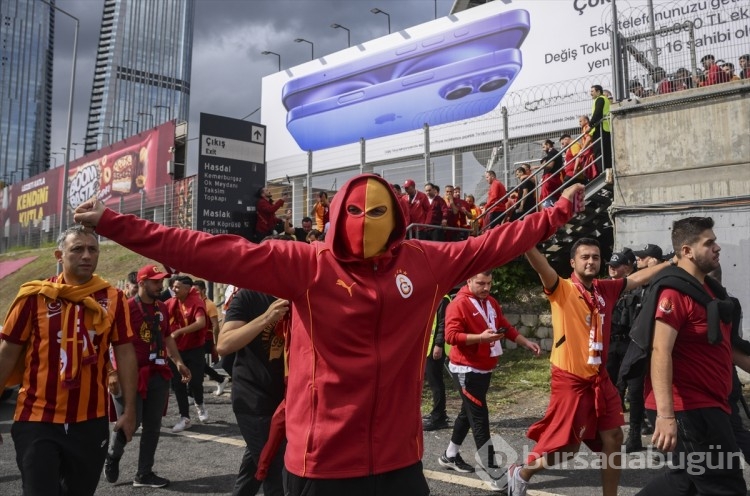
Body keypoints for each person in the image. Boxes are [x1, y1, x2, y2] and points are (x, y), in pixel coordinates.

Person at [74, 175, 584, 496]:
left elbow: (498, 241)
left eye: (378, 211)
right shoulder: (304, 264)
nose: (365, 222)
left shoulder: (427, 262)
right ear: (338, 215)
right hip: (320, 466)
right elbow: (205, 250)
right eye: (356, 212)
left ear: (399, 217)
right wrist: (115, 224)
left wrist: (559, 212)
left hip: (399, 462)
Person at [511, 239, 667, 496]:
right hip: (570, 379)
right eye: (585, 257)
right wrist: (526, 242)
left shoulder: (604, 289)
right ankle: (523, 472)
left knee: (614, 437)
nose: (591, 261)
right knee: (568, 449)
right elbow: (543, 268)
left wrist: (672, 263)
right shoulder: (562, 288)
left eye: (595, 257)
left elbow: (637, 279)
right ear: (573, 262)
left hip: (598, 377)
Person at [0, 224, 138, 496]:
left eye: (92, 249)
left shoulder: (114, 298)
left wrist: (129, 410)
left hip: (90, 419)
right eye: (77, 249)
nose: (86, 255)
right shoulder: (33, 296)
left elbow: (125, 352)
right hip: (36, 418)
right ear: (59, 255)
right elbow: (7, 353)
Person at [636, 217, 746, 495]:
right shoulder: (674, 292)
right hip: (689, 408)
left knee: (683, 481)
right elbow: (660, 351)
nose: (717, 248)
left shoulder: (710, 292)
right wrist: (665, 415)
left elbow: (729, 349)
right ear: (686, 251)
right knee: (726, 485)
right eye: (709, 243)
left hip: (712, 403)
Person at [438, 271, 540, 492]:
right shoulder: (458, 303)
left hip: (485, 367)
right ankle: (494, 472)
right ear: (469, 281)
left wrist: (525, 342)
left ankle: (450, 455)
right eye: (480, 283)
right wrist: (481, 338)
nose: (486, 287)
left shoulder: (491, 301)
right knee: (480, 419)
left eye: (489, 283)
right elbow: (451, 336)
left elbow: (505, 326)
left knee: (468, 413)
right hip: (466, 369)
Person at [105, 264, 191, 488]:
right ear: (141, 283)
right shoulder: (124, 307)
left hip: (158, 373)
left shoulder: (162, 308)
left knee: (153, 426)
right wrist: (111, 372)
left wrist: (179, 362)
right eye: (155, 282)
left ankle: (144, 474)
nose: (160, 285)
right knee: (131, 423)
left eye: (161, 281)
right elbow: (105, 342)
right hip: (128, 375)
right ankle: (112, 456)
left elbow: (167, 336)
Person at [217, 272, 291, 496]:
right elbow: (223, 344)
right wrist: (267, 318)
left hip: (285, 399)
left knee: (257, 463)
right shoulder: (248, 296)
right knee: (277, 471)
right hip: (253, 397)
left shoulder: (299, 296)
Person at [167, 275, 209, 431]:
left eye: (177, 287)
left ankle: (200, 403)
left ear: (187, 288)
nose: (174, 289)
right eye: (173, 286)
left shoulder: (196, 302)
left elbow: (201, 323)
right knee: (178, 383)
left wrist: (179, 332)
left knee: (196, 382)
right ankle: (184, 417)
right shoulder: (172, 302)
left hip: (195, 348)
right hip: (177, 349)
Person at [194, 279, 230, 396]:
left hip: (206, 339)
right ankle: (219, 379)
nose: (195, 293)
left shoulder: (209, 305)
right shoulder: (195, 303)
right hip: (197, 338)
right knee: (197, 363)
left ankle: (193, 393)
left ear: (203, 290)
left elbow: (215, 325)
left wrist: (216, 341)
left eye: (197, 290)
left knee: (196, 362)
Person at [423, 293, 452, 432]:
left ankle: (438, 418)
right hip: (429, 347)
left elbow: (443, 323)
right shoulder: (433, 296)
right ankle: (438, 414)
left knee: (436, 383)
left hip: (435, 348)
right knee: (434, 382)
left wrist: (439, 345)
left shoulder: (443, 299)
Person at [589, 84, 611, 174]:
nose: (590, 93)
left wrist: (590, 125)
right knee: (605, 152)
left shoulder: (600, 99)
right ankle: (606, 170)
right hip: (604, 128)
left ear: (598, 92)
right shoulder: (601, 99)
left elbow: (597, 114)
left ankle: (603, 171)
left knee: (599, 152)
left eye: (592, 91)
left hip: (601, 129)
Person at [539, 140, 564, 208]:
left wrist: (538, 167)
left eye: (543, 147)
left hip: (550, 178)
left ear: (548, 145)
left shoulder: (552, 153)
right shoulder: (553, 153)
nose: (543, 149)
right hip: (553, 178)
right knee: (553, 197)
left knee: (547, 198)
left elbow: (550, 166)